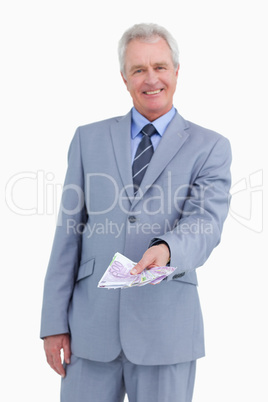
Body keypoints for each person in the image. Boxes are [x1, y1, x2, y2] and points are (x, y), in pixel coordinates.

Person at [41, 23, 232, 402]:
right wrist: (53, 322)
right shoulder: (87, 138)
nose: (151, 79)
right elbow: (68, 233)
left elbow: (205, 223)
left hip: (167, 331)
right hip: (89, 330)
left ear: (176, 71)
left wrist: (167, 249)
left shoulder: (210, 147)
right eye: (138, 69)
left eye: (160, 67)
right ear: (124, 78)